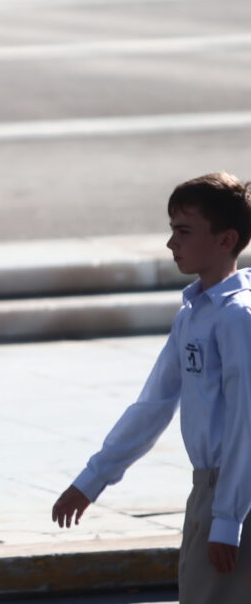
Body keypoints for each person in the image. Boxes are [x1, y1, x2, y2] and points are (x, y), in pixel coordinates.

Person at [52, 172, 251, 603]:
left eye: (183, 231)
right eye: (171, 229)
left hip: (235, 491)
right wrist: (93, 479)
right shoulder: (194, 313)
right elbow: (154, 405)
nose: (171, 243)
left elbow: (245, 425)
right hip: (209, 488)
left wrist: (229, 519)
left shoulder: (238, 318)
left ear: (225, 239)